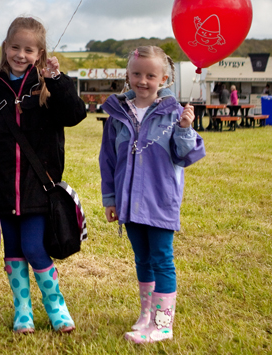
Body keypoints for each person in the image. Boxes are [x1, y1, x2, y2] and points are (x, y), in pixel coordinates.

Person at [0, 16, 86, 334]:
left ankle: (56, 307)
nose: (21, 54)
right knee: (15, 252)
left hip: (39, 188)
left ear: (40, 53)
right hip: (4, 188)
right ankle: (23, 310)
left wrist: (58, 79)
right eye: (15, 47)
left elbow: (75, 114)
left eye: (29, 49)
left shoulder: (48, 88)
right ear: (5, 47)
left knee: (35, 248)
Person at [99, 46, 205, 344]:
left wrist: (185, 128)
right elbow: (108, 160)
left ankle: (163, 323)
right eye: (136, 74)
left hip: (160, 202)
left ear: (164, 78)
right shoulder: (118, 114)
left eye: (150, 75)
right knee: (142, 258)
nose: (142, 80)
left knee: (161, 259)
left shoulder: (173, 113)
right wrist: (111, 199)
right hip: (129, 202)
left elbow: (189, 155)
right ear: (128, 75)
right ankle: (146, 315)